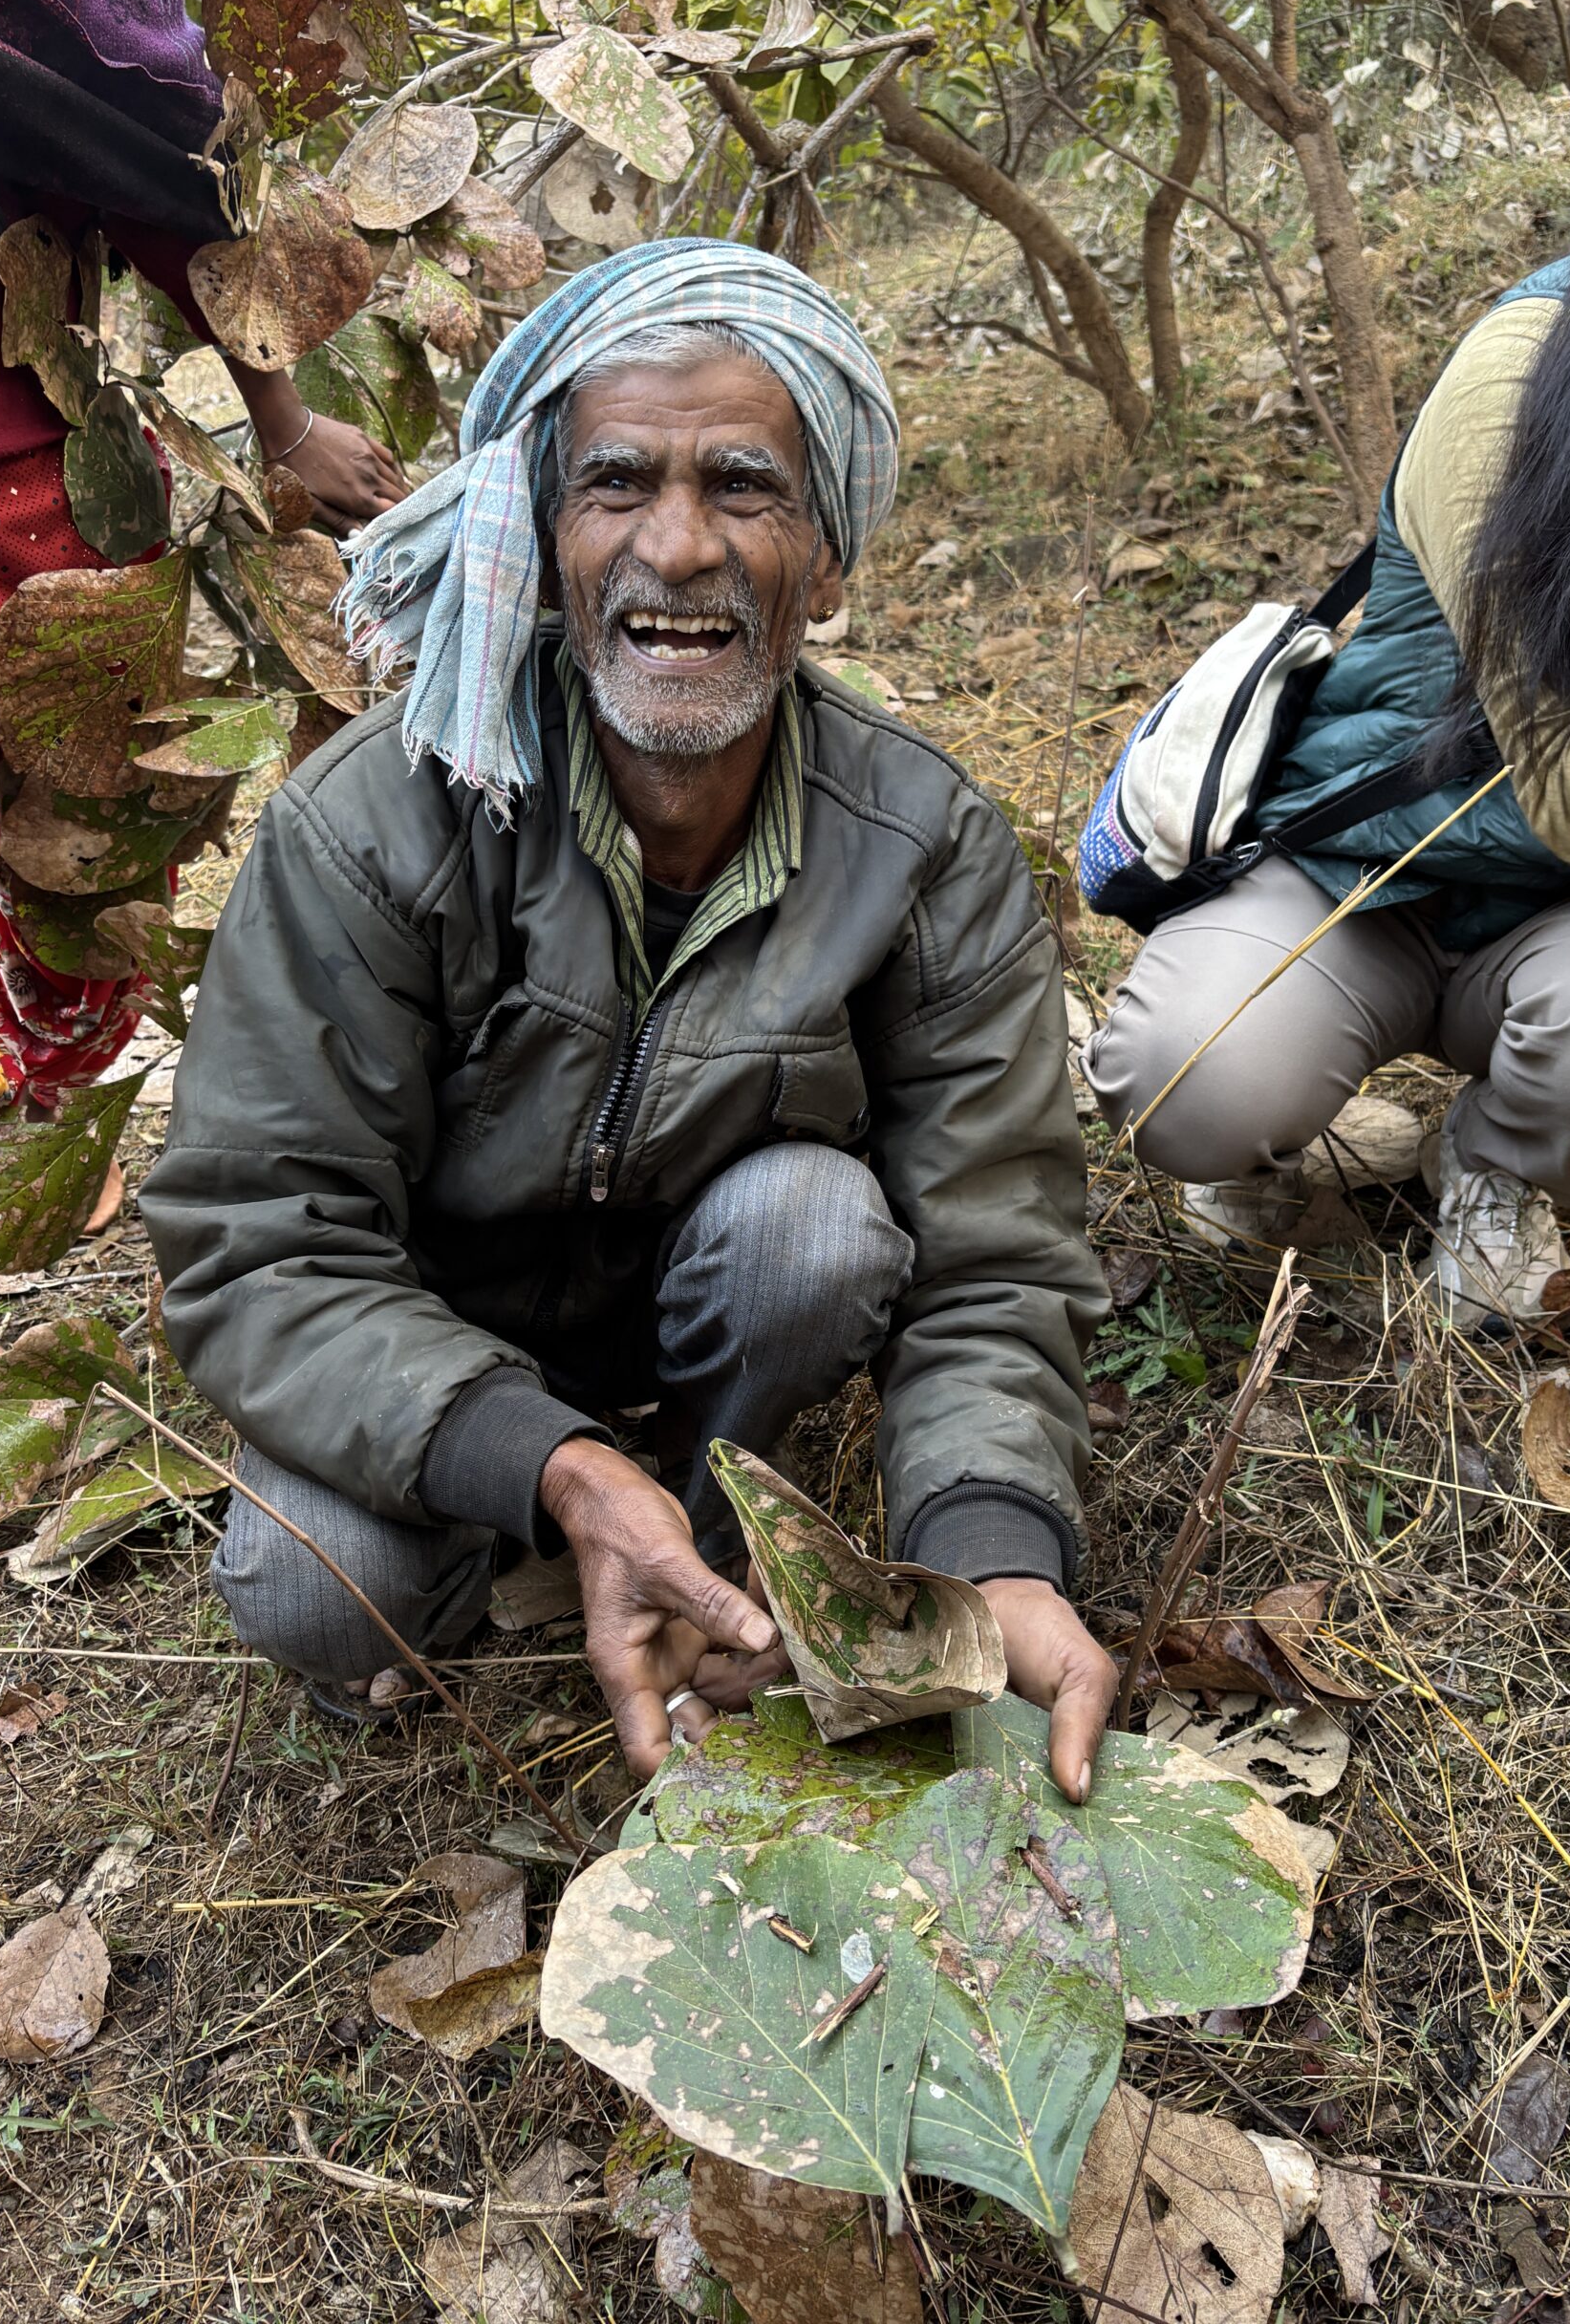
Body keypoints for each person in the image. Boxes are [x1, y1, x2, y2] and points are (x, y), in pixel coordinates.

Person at [140, 239, 1118, 1798]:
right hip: (435, 1344)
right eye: (616, 484)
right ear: (543, 535)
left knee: (818, 1228)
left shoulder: (924, 843)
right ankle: (548, 1538)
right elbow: (263, 1238)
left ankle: (711, 1533)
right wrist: (545, 1465)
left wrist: (992, 1559)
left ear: (829, 556)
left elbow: (996, 1255)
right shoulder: (371, 827)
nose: (678, 548)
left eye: (744, 486)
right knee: (311, 1581)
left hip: (696, 1312)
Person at [1086, 14, 1570, 1330]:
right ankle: (1262, 1146)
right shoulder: (1531, 369)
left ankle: (1499, 1158)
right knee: (1190, 1082)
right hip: (1371, 868)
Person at [0, 0, 403, 1364]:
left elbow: (157, 160)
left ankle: (60, 1156)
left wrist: (281, 419)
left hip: (14, 483)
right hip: (13, 472)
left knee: (92, 848)